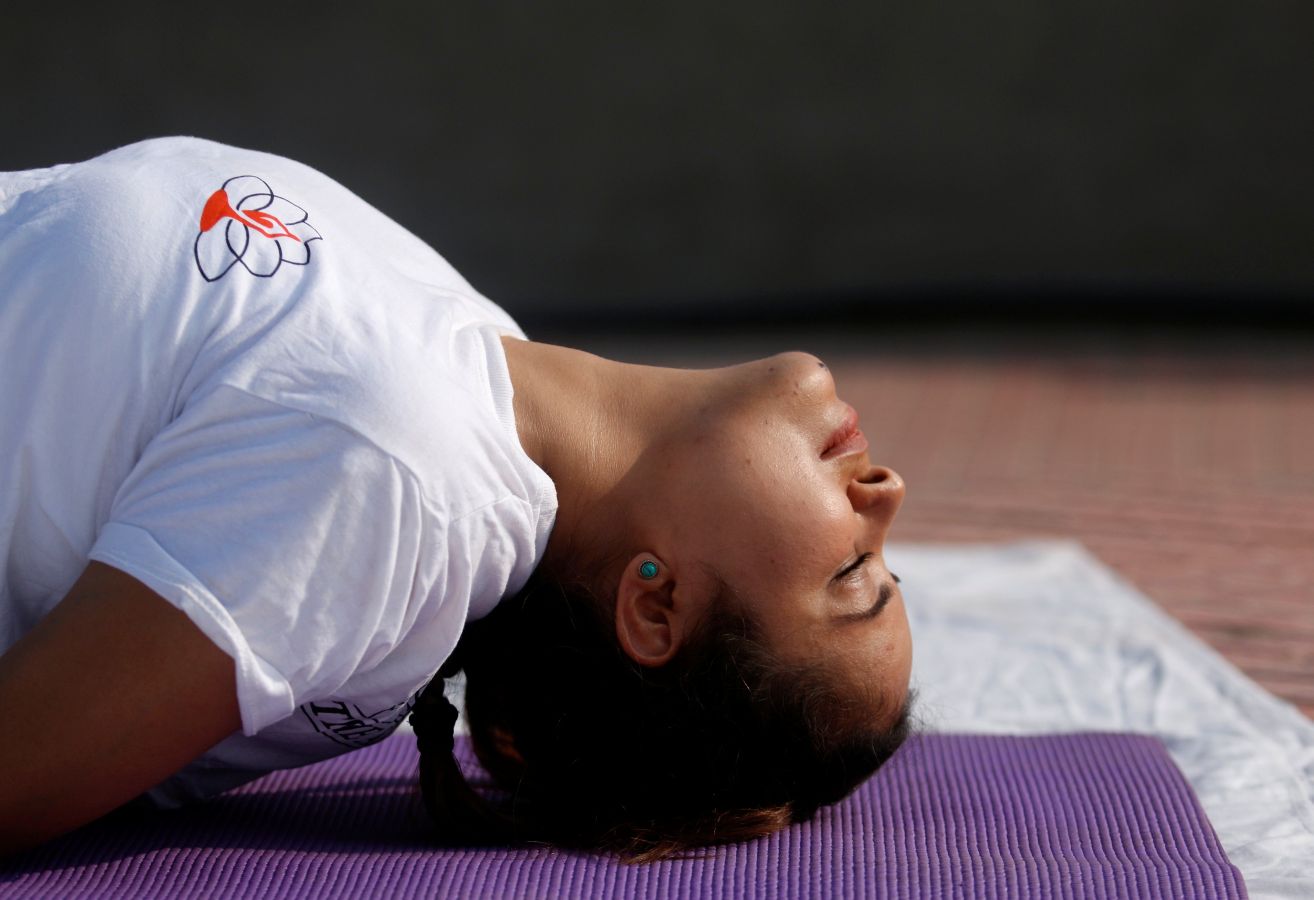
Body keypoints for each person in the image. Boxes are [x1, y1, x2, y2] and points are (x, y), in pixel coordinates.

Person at [0, 137, 913, 862]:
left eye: (852, 570)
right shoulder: (475, 349)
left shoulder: (399, 475)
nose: (887, 492)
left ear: (658, 600)